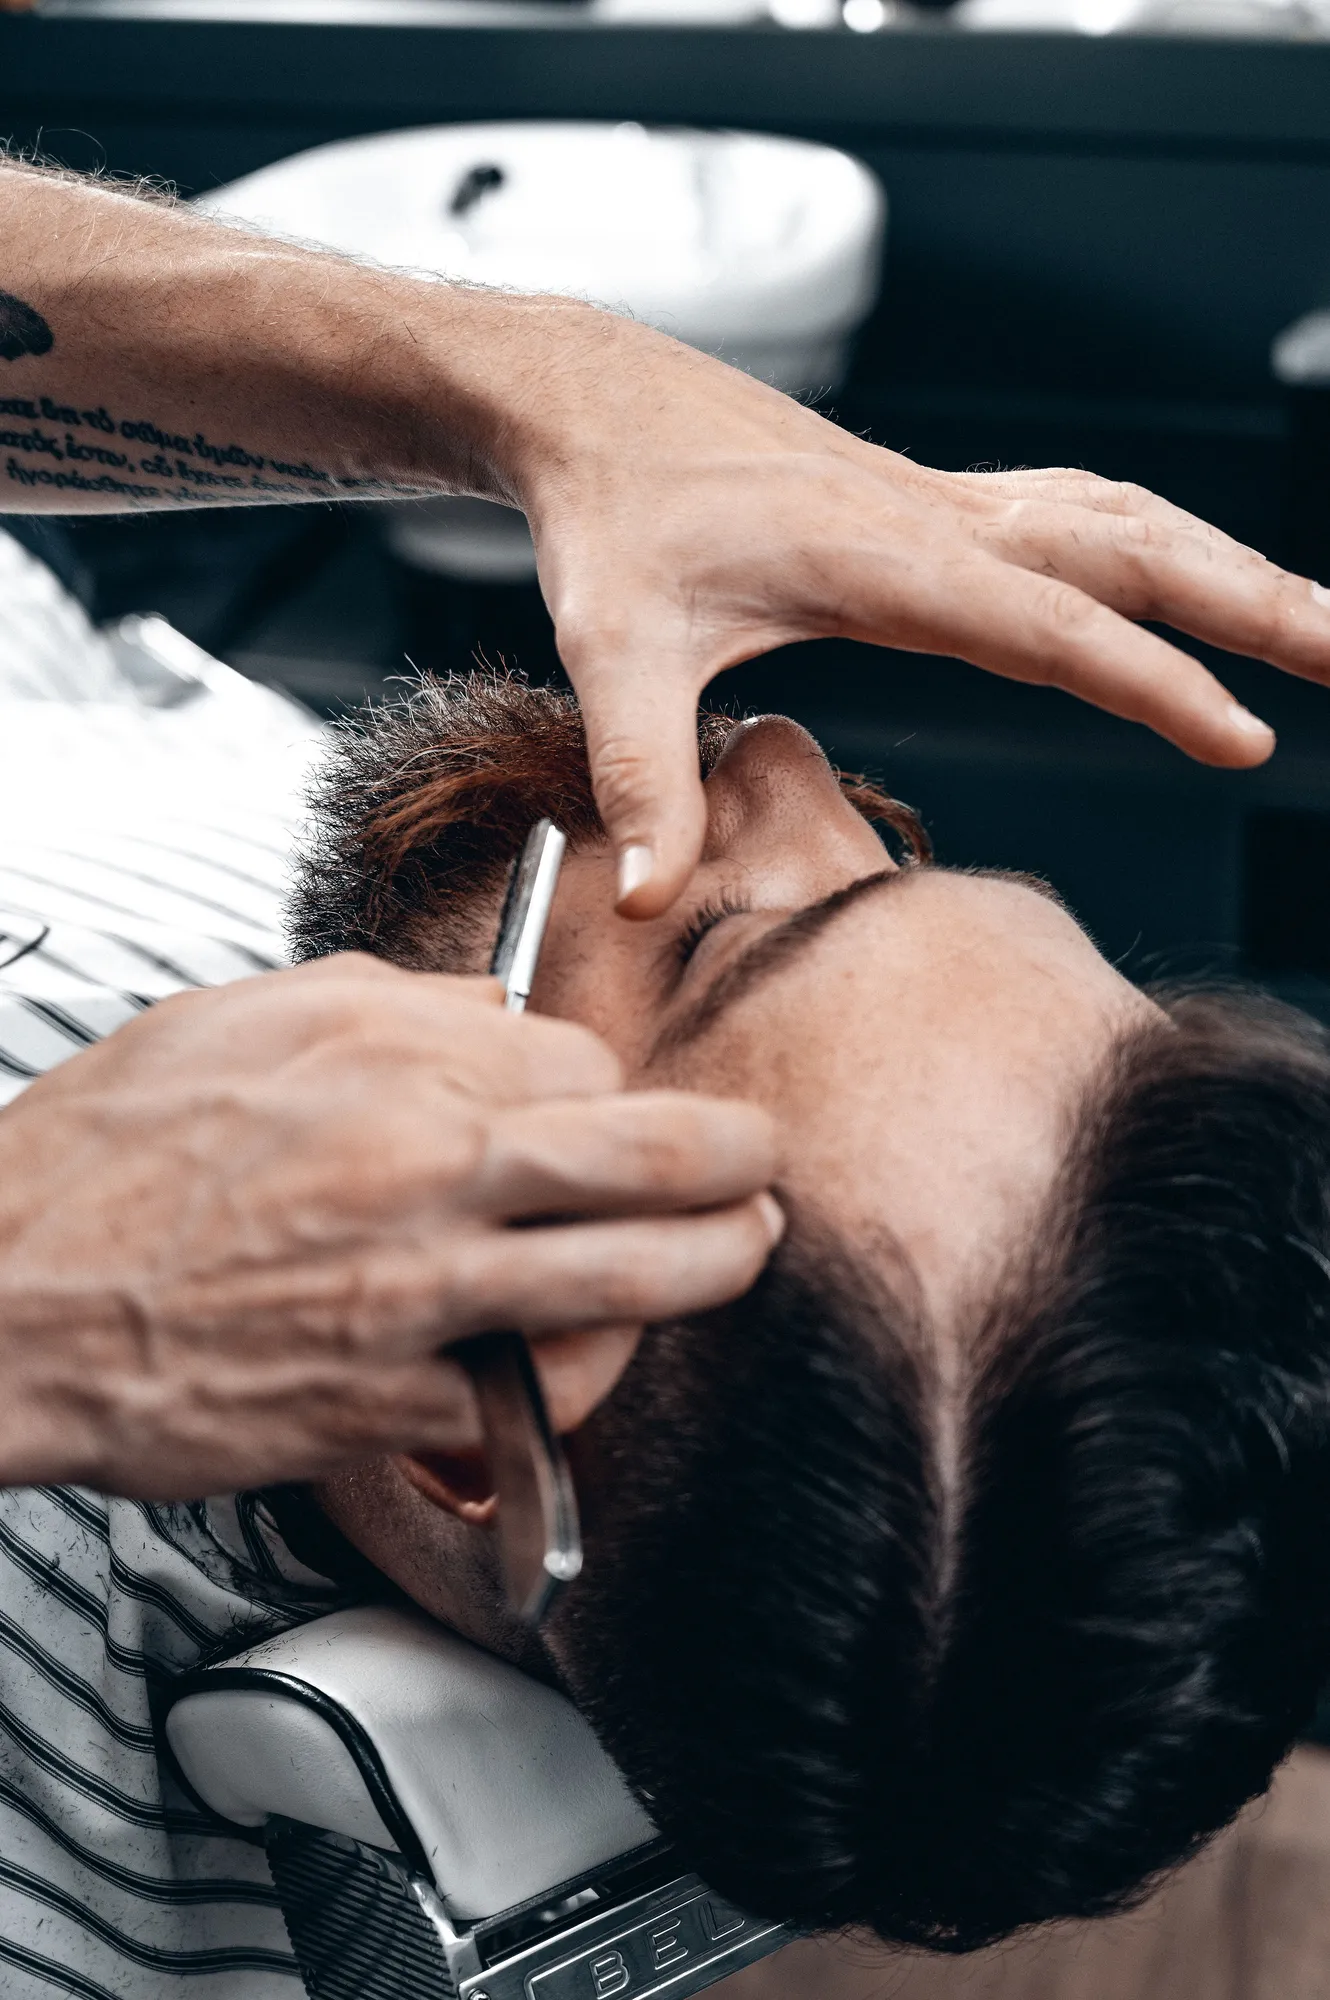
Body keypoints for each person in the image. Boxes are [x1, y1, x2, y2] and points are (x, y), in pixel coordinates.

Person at [279, 674, 1330, 1963]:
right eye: (909, 862)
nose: (787, 754)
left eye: (715, 945)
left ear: (454, 1401)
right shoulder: (423, 908)